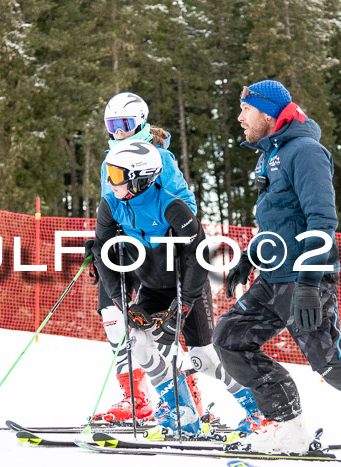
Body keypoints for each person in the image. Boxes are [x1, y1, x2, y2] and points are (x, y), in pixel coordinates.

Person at [212, 79, 341, 462]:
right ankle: (287, 426)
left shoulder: (305, 152)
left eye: (246, 110)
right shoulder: (271, 153)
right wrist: (250, 256)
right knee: (229, 337)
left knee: (330, 361)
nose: (240, 118)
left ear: (268, 113)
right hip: (273, 276)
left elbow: (321, 221)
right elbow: (280, 221)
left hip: (305, 277)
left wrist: (309, 282)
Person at [91, 140, 263, 440]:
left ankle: (258, 410)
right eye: (109, 174)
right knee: (139, 343)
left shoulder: (171, 206)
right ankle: (181, 413)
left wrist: (183, 304)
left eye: (116, 176)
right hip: (153, 286)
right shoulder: (110, 204)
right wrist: (120, 299)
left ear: (139, 178)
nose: (109, 182)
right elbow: (103, 252)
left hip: (187, 286)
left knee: (204, 358)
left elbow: (199, 256)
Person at [84, 92, 201, 423]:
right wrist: (102, 242)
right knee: (112, 313)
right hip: (126, 249)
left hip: (160, 250)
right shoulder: (111, 158)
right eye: (111, 125)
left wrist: (169, 237)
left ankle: (182, 399)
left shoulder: (158, 157)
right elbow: (113, 207)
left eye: (123, 124)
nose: (117, 131)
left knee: (156, 324)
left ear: (138, 122)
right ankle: (134, 398)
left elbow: (183, 204)